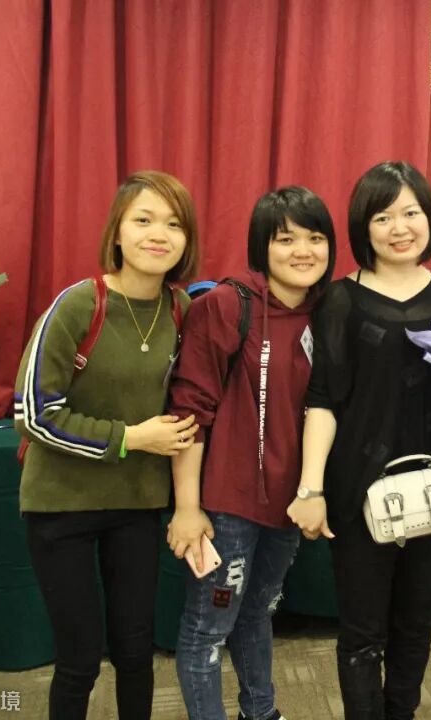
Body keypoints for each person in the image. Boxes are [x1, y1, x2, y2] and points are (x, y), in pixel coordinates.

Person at [14, 171, 201, 719]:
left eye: (174, 224)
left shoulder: (182, 310)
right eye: (143, 220)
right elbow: (33, 413)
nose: (158, 234)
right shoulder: (78, 304)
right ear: (117, 232)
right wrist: (131, 438)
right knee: (78, 661)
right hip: (61, 505)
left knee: (136, 653)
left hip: (137, 505)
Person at [287, 161, 431, 720]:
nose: (399, 227)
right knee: (363, 632)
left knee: (416, 622)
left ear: (430, 217)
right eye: (383, 217)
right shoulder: (340, 299)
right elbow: (322, 400)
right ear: (363, 227)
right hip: (359, 489)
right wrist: (311, 488)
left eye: (411, 212)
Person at [168, 186, 337, 720]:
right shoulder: (225, 305)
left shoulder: (328, 312)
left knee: (258, 612)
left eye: (315, 238)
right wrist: (187, 507)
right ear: (261, 246)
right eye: (286, 239)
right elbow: (189, 412)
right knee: (209, 627)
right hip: (227, 506)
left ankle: (260, 713)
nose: (303, 251)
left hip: (290, 504)